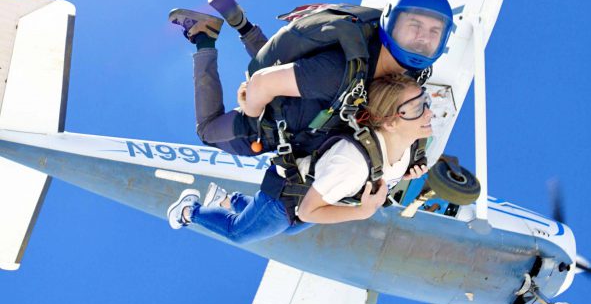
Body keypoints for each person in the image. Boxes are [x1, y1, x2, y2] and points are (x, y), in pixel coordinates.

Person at [168, 0, 453, 157]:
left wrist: (415, 154)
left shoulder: (410, 74)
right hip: (277, 112)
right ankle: (204, 37)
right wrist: (251, 114)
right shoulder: (338, 71)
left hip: (301, 92)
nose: (423, 38)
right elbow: (262, 85)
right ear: (391, 21)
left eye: (434, 31)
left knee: (284, 72)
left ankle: (240, 23)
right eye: (414, 25)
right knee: (207, 132)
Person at [166, 74, 434, 243]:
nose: (428, 114)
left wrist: (404, 174)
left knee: (288, 230)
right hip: (288, 197)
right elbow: (307, 211)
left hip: (316, 197)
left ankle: (228, 199)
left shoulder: (410, 146)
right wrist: (362, 212)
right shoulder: (351, 164)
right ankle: (190, 210)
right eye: (416, 109)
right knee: (238, 233)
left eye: (425, 102)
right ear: (388, 123)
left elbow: (384, 169)